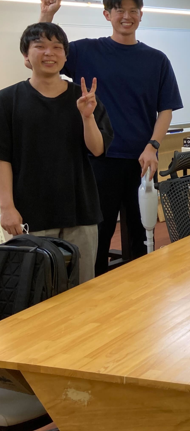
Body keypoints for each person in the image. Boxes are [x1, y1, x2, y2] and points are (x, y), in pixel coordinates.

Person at [39, 0, 183, 275]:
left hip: (142, 160)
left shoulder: (157, 60)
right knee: (97, 236)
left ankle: (143, 290)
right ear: (107, 14)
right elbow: (47, 52)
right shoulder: (85, 51)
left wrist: (153, 146)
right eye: (119, 10)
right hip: (97, 160)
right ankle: (97, 294)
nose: (126, 16)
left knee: (143, 234)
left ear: (141, 15)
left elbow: (165, 110)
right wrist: (47, 15)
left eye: (133, 11)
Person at [0, 23, 113, 283]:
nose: (49, 53)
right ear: (26, 55)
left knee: (83, 286)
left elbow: (97, 149)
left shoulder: (84, 98)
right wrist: (6, 207)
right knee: (35, 288)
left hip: (80, 210)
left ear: (65, 56)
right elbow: (2, 158)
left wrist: (87, 117)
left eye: (57, 47)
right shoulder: (7, 100)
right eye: (40, 46)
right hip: (29, 213)